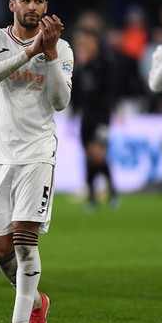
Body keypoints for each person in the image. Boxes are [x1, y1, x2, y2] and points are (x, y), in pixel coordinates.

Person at [0, 0, 73, 323]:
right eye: (26, 0)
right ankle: (36, 303)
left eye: (40, 1)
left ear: (47, 7)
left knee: (24, 240)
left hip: (36, 153)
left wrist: (47, 55)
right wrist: (32, 51)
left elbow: (60, 101)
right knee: (0, 250)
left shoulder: (61, 49)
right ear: (12, 5)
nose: (33, 7)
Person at [70, 26, 119, 210]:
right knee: (89, 155)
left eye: (87, 42)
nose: (84, 46)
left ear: (95, 43)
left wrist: (115, 108)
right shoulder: (81, 66)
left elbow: (112, 89)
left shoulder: (105, 63)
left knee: (97, 153)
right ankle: (93, 196)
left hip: (102, 116)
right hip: (87, 116)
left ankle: (111, 191)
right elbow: (76, 92)